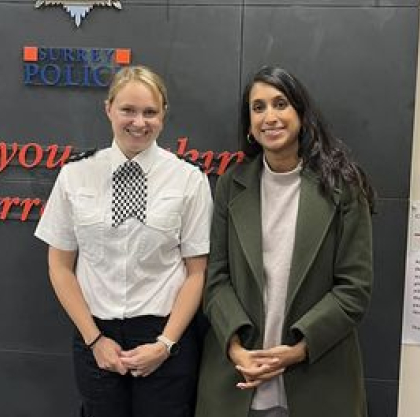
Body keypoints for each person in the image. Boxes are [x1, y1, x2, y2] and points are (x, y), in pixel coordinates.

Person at [196, 66, 375, 417]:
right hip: (237, 381)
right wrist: (234, 349)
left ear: (302, 115)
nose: (270, 117)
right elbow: (216, 279)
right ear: (249, 126)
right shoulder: (231, 185)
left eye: (280, 104)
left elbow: (354, 288)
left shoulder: (342, 187)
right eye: (258, 108)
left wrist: (296, 350)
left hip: (319, 378)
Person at [35, 65, 213, 417]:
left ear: (163, 115)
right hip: (96, 335)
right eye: (128, 110)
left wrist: (164, 344)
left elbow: (197, 273)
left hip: (164, 336)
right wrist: (94, 340)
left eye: (150, 112)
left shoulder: (188, 179)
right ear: (108, 110)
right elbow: (59, 265)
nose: (139, 122)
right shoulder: (75, 175)